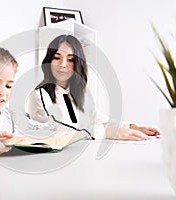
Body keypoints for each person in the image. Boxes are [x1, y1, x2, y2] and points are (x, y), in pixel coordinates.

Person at [27, 34, 159, 140]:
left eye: (70, 59)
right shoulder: (39, 95)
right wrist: (109, 132)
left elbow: (100, 119)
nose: (63, 64)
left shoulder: (80, 95)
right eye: (57, 57)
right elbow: (59, 131)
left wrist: (132, 127)